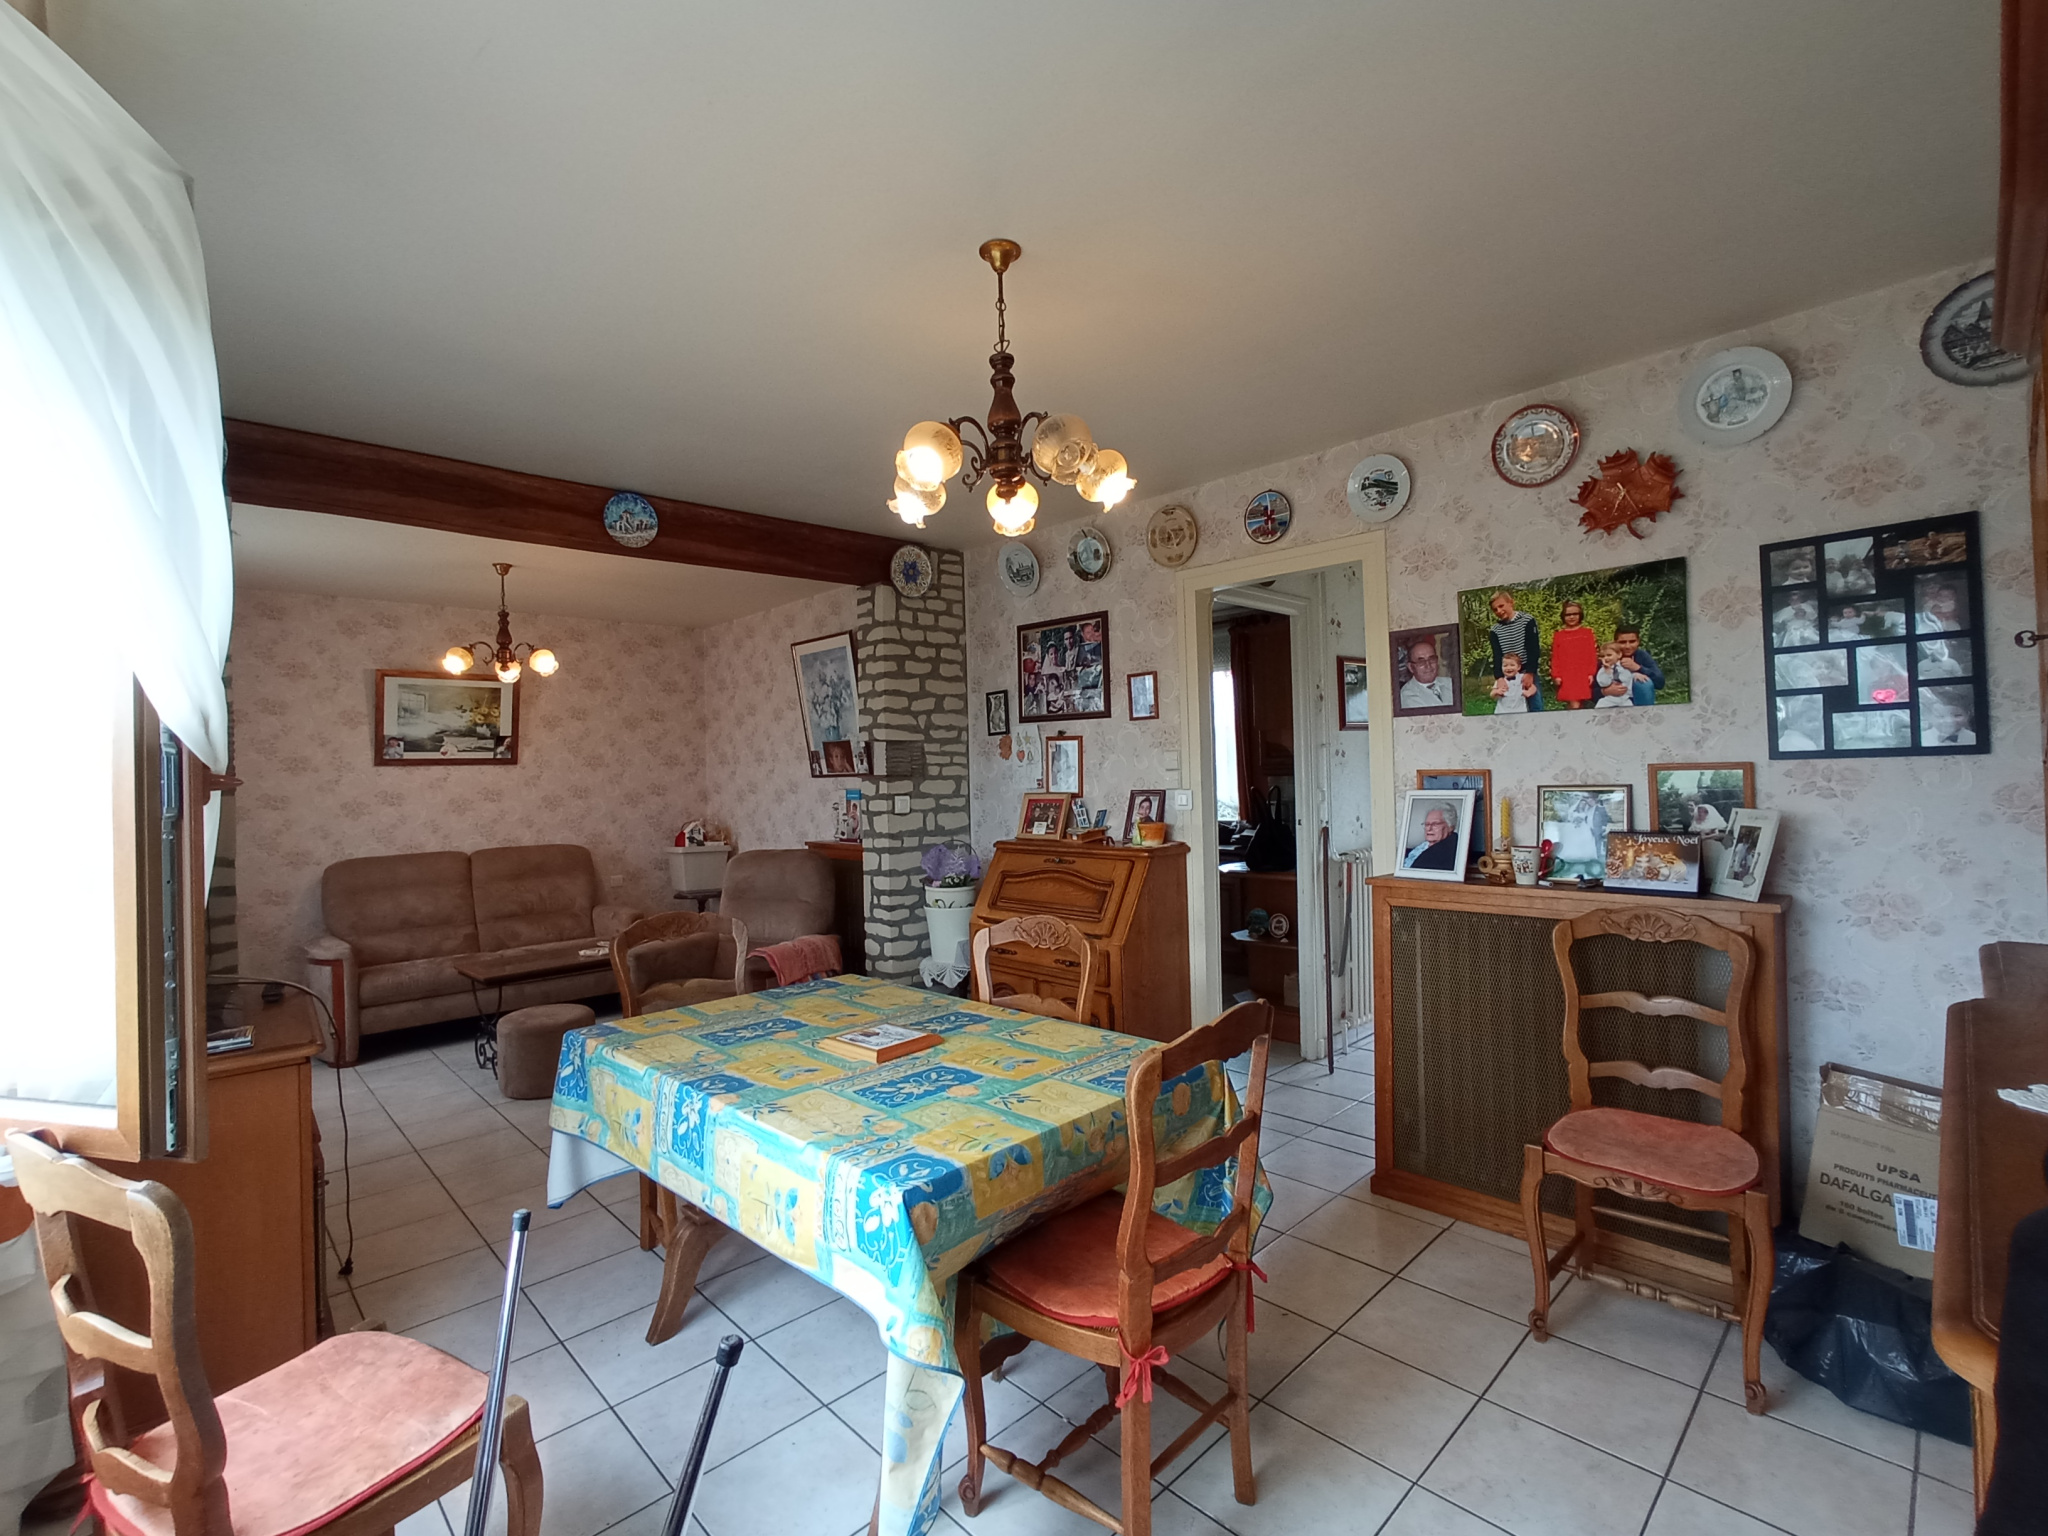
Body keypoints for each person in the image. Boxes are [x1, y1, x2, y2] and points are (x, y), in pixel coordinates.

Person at [1486, 590, 1545, 710]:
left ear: (1511, 603)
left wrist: (1530, 672)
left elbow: (1533, 648)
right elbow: (1497, 655)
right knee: (1510, 707)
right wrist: (1499, 677)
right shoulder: (1495, 630)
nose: (1499, 611)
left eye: (1501, 606)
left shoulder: (1527, 620)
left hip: (1526, 671)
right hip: (1508, 673)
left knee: (1535, 705)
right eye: (1495, 609)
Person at [1549, 601, 1597, 708]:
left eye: (1575, 614)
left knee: (1579, 702)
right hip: (1567, 673)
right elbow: (1556, 657)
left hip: (1582, 673)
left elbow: (1592, 654)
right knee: (1572, 702)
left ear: (1580, 615)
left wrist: (1591, 673)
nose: (1571, 617)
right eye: (1568, 614)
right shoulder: (1559, 635)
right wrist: (1556, 674)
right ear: (1563, 616)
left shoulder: (1587, 633)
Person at [1399, 634, 1456, 709]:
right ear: (1411, 667)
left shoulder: (1451, 683)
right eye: (1421, 662)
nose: (1428, 665)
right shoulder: (1407, 695)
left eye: (1432, 659)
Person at [1613, 624, 1664, 705]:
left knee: (1644, 683)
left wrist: (1638, 668)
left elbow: (1660, 682)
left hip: (1637, 700)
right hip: (1612, 701)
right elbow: (1594, 689)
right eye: (1622, 642)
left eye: (1632, 641)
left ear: (1638, 642)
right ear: (1615, 642)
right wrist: (1605, 691)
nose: (1627, 646)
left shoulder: (1642, 655)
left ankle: (1645, 711)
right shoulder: (1608, 656)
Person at [1403, 805, 1460, 870]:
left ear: (1450, 827)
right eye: (1427, 824)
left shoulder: (1448, 851)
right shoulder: (1424, 846)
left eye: (1435, 824)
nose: (1429, 828)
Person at [1592, 641, 1634, 708]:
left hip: (1625, 698)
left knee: (1630, 709)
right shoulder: (1603, 669)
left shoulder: (1625, 666)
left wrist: (1636, 675)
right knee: (1600, 706)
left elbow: (1628, 678)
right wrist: (1607, 672)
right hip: (1609, 698)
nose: (1606, 658)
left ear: (1619, 655)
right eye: (1603, 656)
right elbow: (1603, 683)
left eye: (1609, 655)